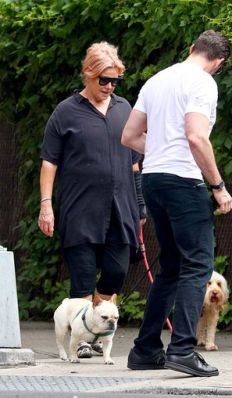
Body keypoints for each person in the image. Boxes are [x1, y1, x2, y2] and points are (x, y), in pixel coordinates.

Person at [121, 30, 232, 377]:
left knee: (170, 266)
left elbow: (129, 136)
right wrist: (218, 185)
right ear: (218, 62)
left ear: (191, 49)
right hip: (184, 181)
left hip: (152, 179)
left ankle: (145, 349)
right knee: (197, 266)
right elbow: (196, 136)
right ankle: (183, 349)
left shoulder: (156, 80)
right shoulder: (203, 82)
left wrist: (160, 150)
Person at [38, 42, 145, 358]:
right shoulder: (66, 112)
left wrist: (140, 205)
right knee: (82, 275)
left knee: (117, 271)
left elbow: (135, 162)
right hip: (80, 208)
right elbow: (49, 162)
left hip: (120, 206)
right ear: (88, 74)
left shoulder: (124, 108)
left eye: (115, 81)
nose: (110, 87)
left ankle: (97, 320)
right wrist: (46, 205)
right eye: (104, 80)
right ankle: (83, 340)